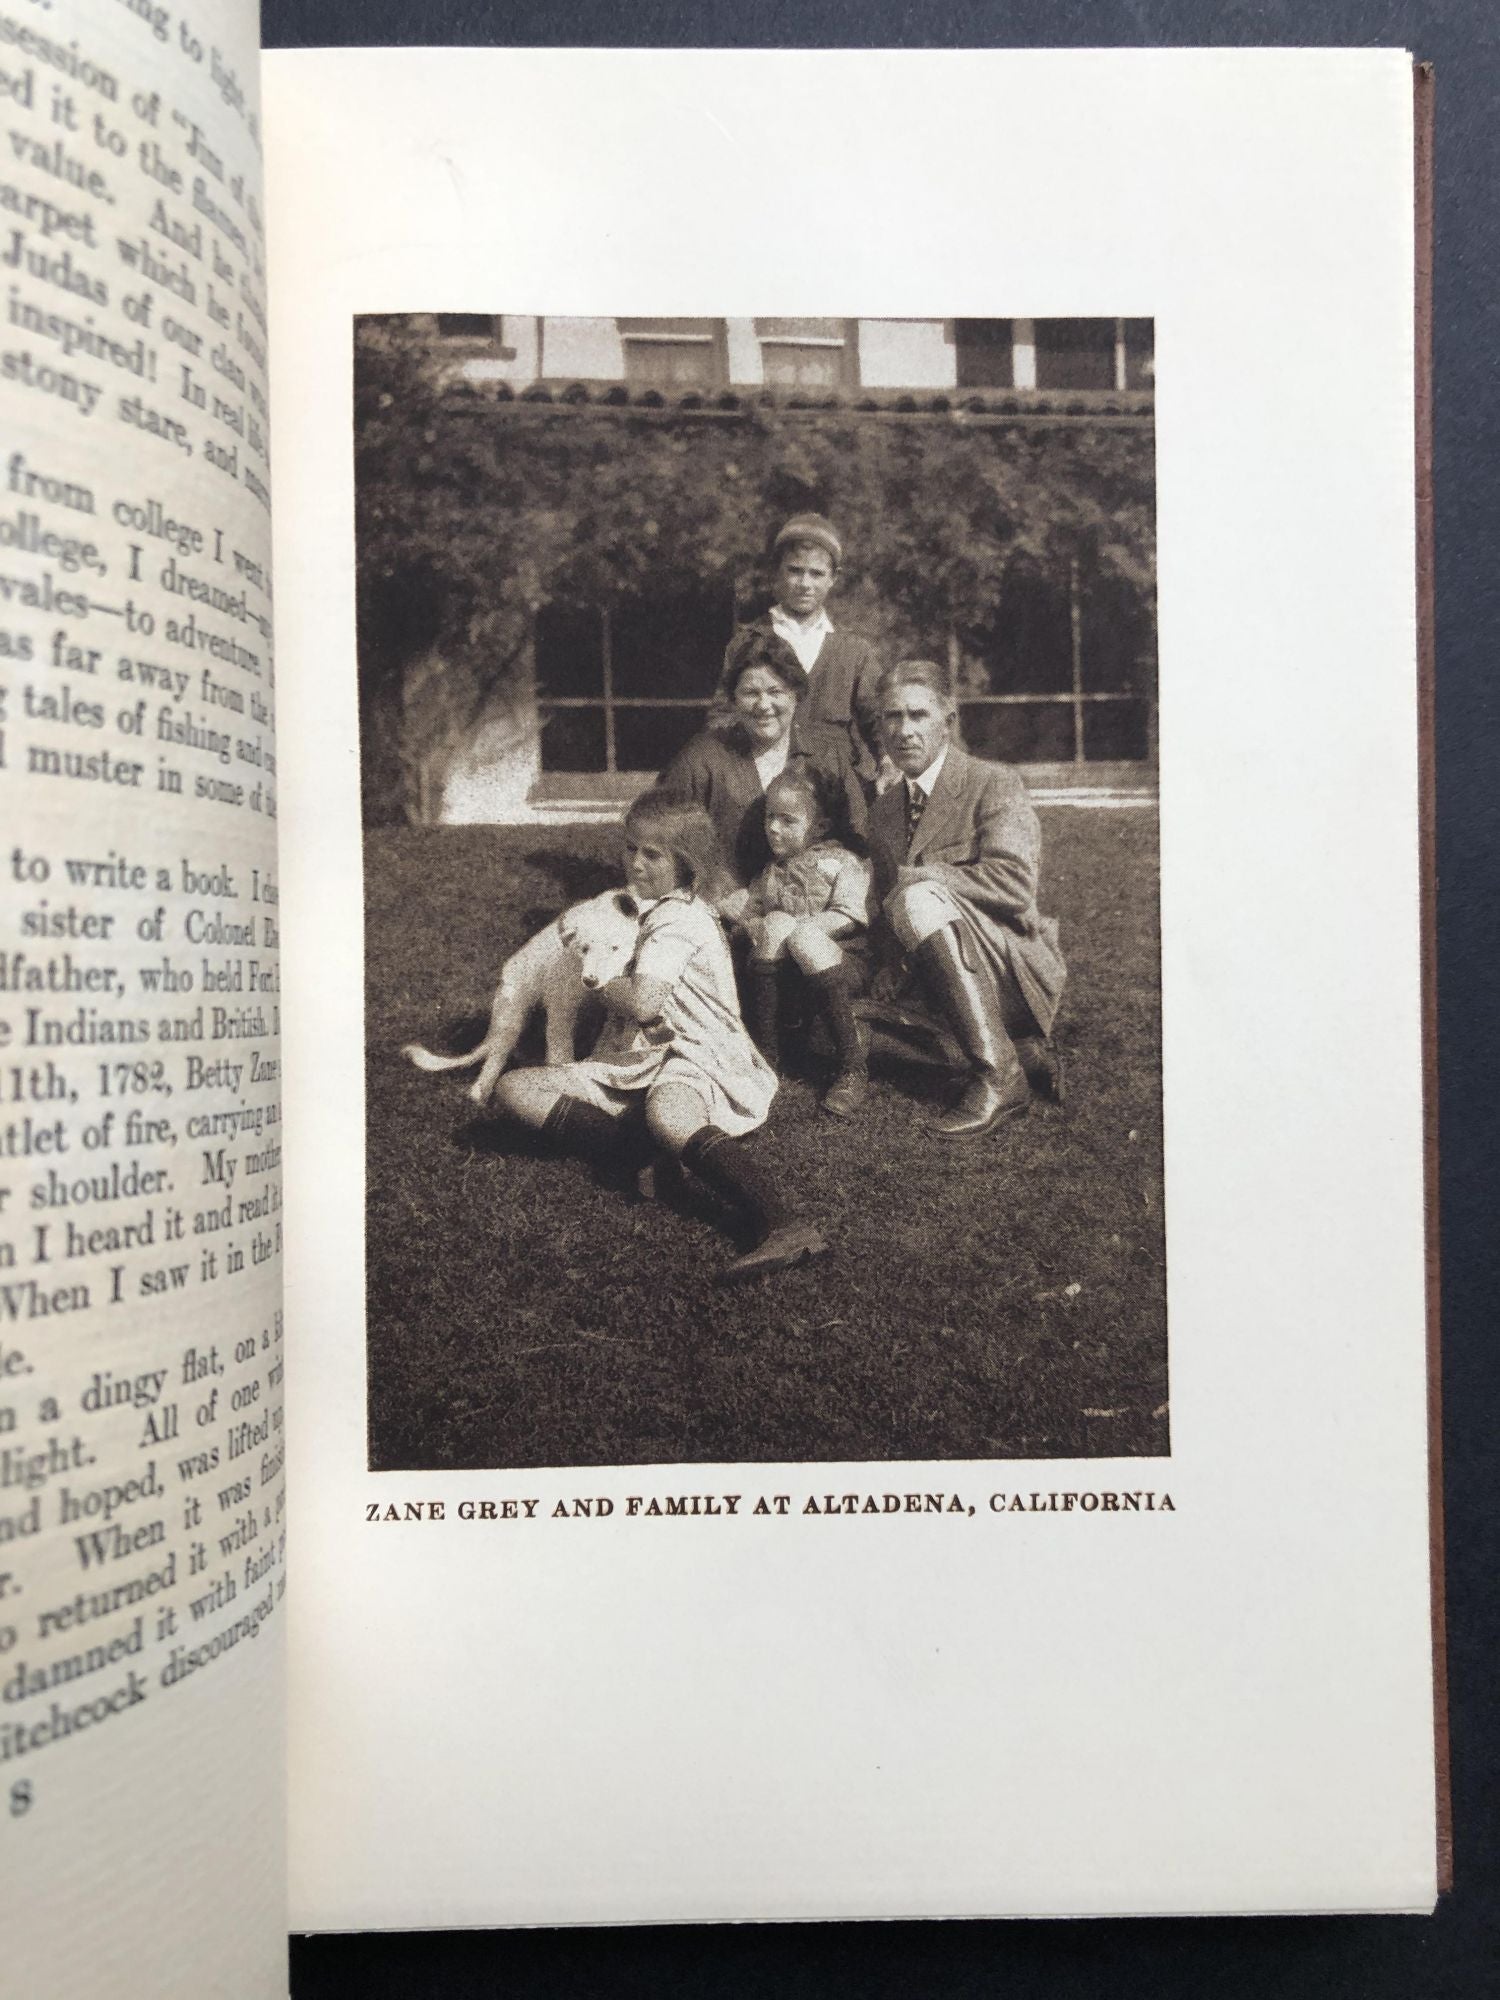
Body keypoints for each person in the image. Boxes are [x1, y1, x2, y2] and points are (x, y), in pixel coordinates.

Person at [493, 793, 828, 1282]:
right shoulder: (654, 911)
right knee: (516, 1088)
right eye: (631, 849)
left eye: (653, 855)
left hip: (698, 1051)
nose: (635, 863)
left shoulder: (679, 919)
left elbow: (644, 1003)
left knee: (669, 1111)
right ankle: (649, 1155)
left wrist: (593, 975)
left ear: (686, 862)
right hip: (644, 1054)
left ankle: (783, 1221)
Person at [862, 659, 1066, 1139]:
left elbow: (1015, 884)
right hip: (934, 971)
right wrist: (887, 965)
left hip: (1010, 964)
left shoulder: (992, 782)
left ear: (947, 721)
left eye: (918, 715)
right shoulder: (885, 811)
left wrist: (929, 876)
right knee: (835, 1020)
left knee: (919, 897)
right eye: (893, 717)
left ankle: (1000, 1076)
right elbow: (884, 906)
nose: (905, 731)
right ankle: (1020, 1051)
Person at [656, 628, 865, 891]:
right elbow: (660, 839)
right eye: (751, 693)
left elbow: (858, 841)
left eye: (775, 691)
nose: (764, 705)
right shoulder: (701, 759)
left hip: (813, 912)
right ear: (733, 699)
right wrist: (711, 892)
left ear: (796, 694)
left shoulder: (828, 757)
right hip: (722, 910)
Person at [725, 768, 873, 1120]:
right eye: (769, 818)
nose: (773, 828)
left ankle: (852, 1067)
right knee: (773, 924)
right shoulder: (771, 872)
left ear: (819, 827)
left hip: (838, 963)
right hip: (791, 976)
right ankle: (767, 1057)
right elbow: (748, 908)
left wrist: (797, 927)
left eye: (787, 821)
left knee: (799, 933)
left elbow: (849, 915)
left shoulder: (842, 864)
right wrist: (742, 917)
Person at [718, 512, 883, 786]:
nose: (805, 584)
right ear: (776, 572)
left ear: (833, 578)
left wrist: (888, 762)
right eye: (795, 571)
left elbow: (878, 718)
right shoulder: (747, 640)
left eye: (817, 574)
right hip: (761, 776)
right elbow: (722, 715)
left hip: (834, 782)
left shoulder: (854, 650)